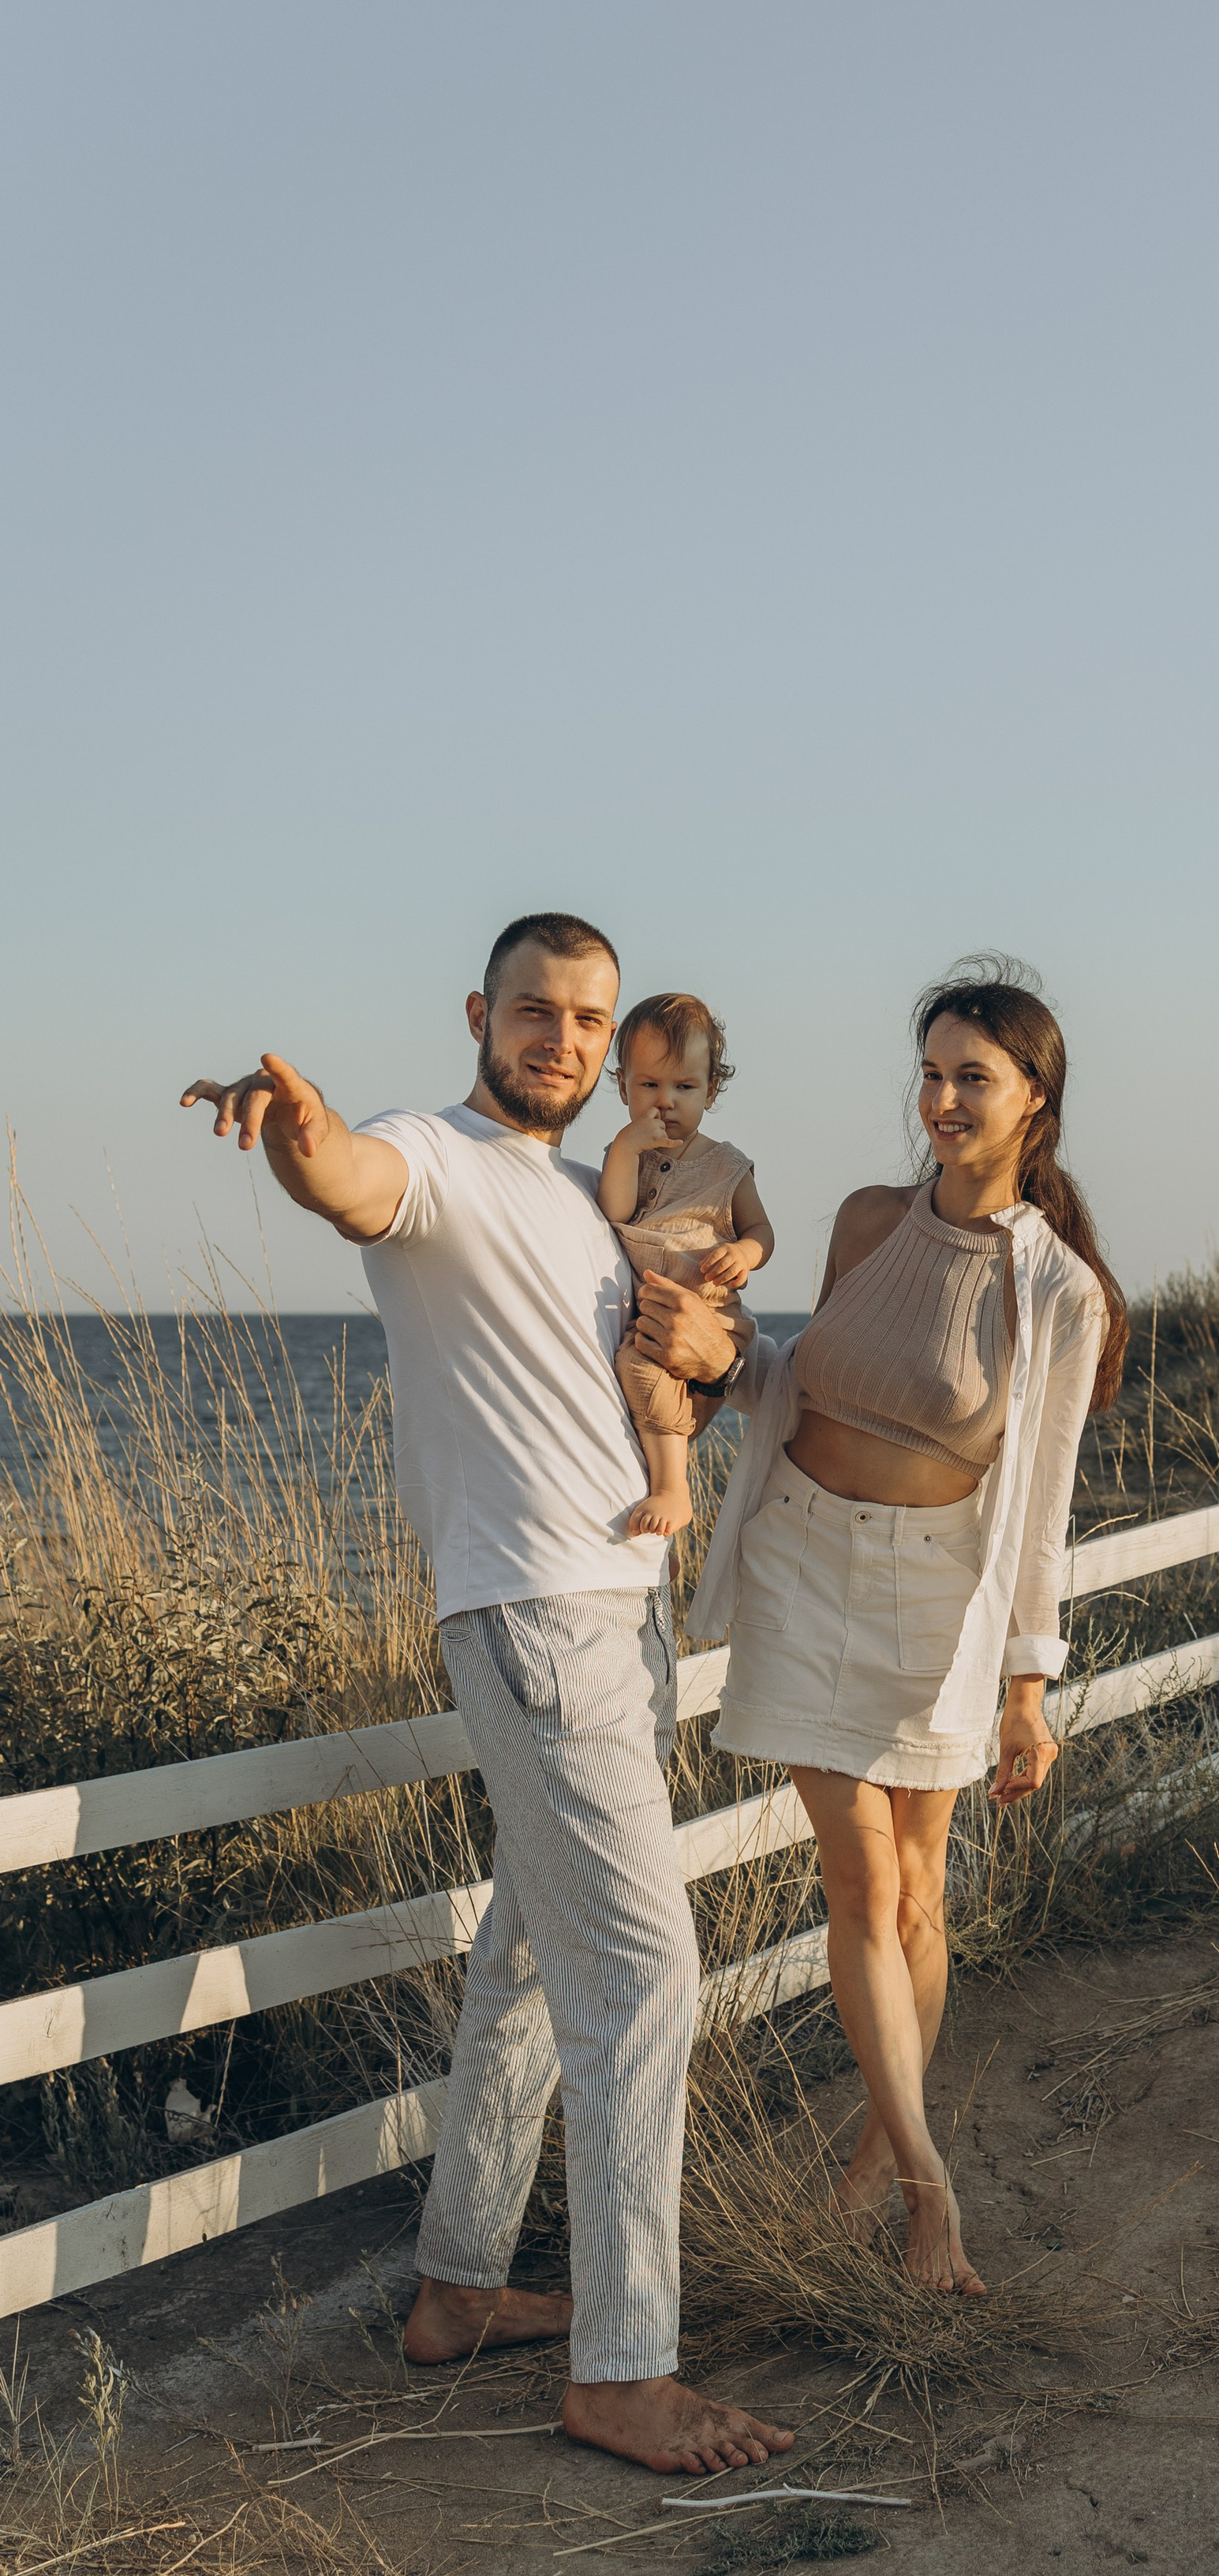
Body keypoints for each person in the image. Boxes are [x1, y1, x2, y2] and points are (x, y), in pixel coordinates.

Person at [178, 911, 792, 2481]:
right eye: (536, 1012)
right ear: (481, 1014)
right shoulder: (430, 1155)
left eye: (589, 1021)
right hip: (536, 1621)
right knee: (643, 1978)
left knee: (531, 1959)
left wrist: (710, 1356)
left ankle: (457, 2288)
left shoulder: (596, 1203)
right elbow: (353, 1188)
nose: (565, 1041)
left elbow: (673, 1375)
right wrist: (300, 1142)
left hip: (615, 1614)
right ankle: (622, 2368)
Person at [687, 959, 1129, 2296]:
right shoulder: (866, 1222)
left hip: (943, 1596)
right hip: (806, 1565)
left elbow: (1040, 1507)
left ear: (1034, 1102)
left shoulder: (1060, 1290)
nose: (940, 1099)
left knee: (923, 1894)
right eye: (930, 1073)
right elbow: (801, 1378)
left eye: (971, 1079)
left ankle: (879, 2162)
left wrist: (1026, 1688)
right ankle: (932, 2196)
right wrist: (717, 1353)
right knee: (866, 1886)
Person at [596, 990, 776, 1541]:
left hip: (712, 1312)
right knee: (629, 1408)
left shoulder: (726, 1166)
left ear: (711, 1089)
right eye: (649, 1085)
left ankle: (674, 1490)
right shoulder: (625, 1153)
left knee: (642, 1374)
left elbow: (761, 1233)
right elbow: (615, 1211)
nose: (665, 1102)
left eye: (684, 1087)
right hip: (654, 1310)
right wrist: (626, 1153)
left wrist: (742, 1256)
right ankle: (661, 1543)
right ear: (623, 1084)